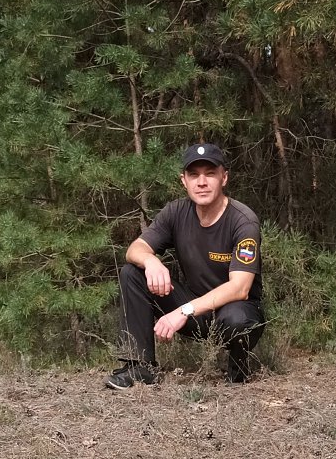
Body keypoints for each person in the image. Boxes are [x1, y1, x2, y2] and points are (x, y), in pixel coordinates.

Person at [105, 143, 264, 389]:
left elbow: (240, 288)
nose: (202, 182)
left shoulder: (243, 221)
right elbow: (134, 249)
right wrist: (151, 261)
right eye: (194, 175)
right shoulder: (176, 212)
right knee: (132, 273)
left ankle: (238, 368)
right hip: (195, 310)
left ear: (224, 178)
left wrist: (183, 312)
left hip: (234, 311)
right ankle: (140, 366)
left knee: (237, 318)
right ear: (184, 181)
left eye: (210, 174)